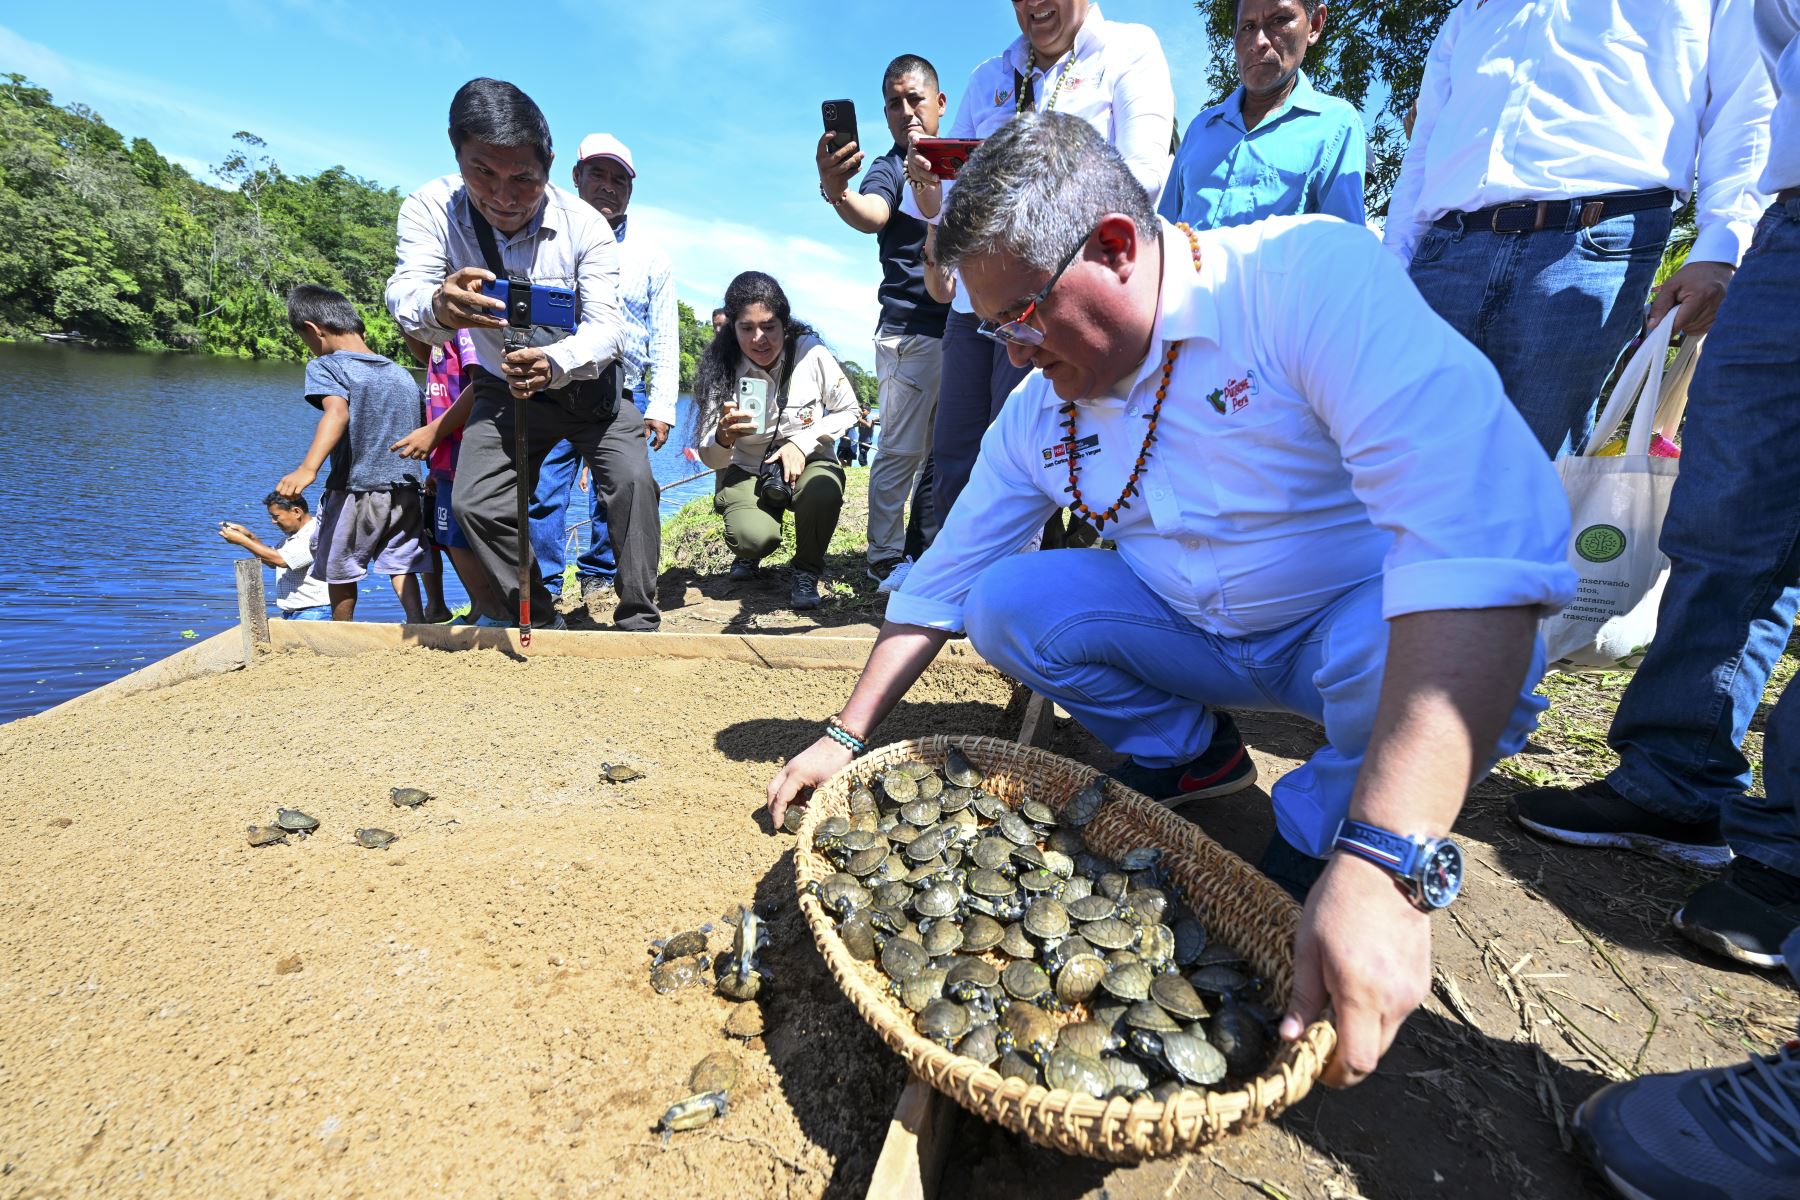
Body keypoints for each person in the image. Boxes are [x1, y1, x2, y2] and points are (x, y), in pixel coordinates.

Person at [767, 114, 1577, 1090]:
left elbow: (1479, 542)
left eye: (1021, 315)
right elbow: (941, 575)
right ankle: (1195, 757)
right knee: (1004, 602)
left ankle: (1324, 831)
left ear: (1113, 246)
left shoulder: (1299, 281)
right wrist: (846, 736)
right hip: (1194, 633)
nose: (1012, 354)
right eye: (992, 330)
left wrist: (1392, 860)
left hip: (1344, 637)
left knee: (1428, 646)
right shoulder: (1040, 407)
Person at [1509, 0, 1800, 975]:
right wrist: (1743, 228)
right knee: (1726, 517)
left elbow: (1723, 66)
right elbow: (1767, 60)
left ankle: (1785, 855)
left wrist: (1723, 228)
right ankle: (1674, 775)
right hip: (1791, 221)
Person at [1385, 0, 1775, 456]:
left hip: (1594, 247)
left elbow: (1746, 102)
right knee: (1403, 464)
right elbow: (1425, 140)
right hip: (1447, 250)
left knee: (1535, 475)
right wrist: (1395, 262)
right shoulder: (1473, 9)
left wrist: (1720, 246)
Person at [385, 77, 659, 633]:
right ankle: (535, 611)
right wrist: (438, 303)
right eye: (482, 172)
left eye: (524, 180)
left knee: (632, 483)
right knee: (476, 504)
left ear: (551, 166)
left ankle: (638, 621)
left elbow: (609, 330)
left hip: (593, 392)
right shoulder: (428, 209)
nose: (504, 197)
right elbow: (403, 292)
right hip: (500, 389)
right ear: (456, 151)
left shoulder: (587, 228)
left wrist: (554, 360)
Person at [901, 0, 1175, 527]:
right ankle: (956, 574)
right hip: (974, 304)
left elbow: (1140, 181)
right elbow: (945, 208)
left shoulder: (1130, 50)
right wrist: (927, 186)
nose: (1033, 4)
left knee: (1034, 446)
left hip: (1054, 297)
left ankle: (1023, 575)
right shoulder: (988, 77)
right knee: (956, 446)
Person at [815, 53, 953, 589]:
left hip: (964, 327)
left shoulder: (958, 162)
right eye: (894, 103)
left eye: (915, 98)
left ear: (940, 103)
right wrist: (837, 190)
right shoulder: (890, 167)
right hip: (909, 332)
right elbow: (870, 212)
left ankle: (929, 548)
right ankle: (883, 556)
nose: (906, 111)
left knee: (949, 450)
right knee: (899, 449)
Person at [530, 133, 678, 615]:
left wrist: (661, 406)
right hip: (548, 386)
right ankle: (545, 586)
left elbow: (664, 337)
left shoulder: (651, 257)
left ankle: (600, 576)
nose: (608, 187)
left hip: (618, 390)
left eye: (619, 179)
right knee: (543, 493)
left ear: (631, 190)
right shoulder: (541, 237)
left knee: (622, 490)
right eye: (597, 174)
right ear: (575, 177)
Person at [693, 272, 859, 611]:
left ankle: (807, 570)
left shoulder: (811, 353)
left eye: (769, 327)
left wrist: (803, 443)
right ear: (731, 327)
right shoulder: (722, 366)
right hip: (748, 468)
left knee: (824, 489)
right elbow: (711, 458)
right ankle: (749, 553)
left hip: (809, 462)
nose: (759, 339)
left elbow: (849, 409)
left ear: (785, 323)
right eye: (746, 328)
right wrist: (723, 436)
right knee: (752, 538)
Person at [275, 284, 428, 624]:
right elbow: (424, 429)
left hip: (355, 488)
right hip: (405, 488)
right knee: (401, 562)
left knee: (339, 565)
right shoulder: (400, 373)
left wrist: (307, 468)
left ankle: (341, 630)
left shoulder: (328, 366)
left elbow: (337, 413)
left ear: (314, 331)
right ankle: (418, 624)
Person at [1159, 0, 1365, 229]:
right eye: (1248, 26)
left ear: (1314, 25)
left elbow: (1343, 250)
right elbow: (1162, 235)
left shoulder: (1336, 125)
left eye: (1279, 20)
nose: (1259, 42)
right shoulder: (1200, 128)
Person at [392, 328, 502, 621]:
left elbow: (483, 382)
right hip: (447, 459)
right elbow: (431, 360)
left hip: (467, 451)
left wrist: (433, 432)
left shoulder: (465, 330)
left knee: (460, 539)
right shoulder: (437, 334)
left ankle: (496, 613)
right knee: (452, 538)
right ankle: (482, 608)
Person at [217, 492, 332, 620]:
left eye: (276, 516)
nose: (273, 521)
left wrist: (243, 541)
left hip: (314, 612)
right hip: (296, 612)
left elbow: (280, 560)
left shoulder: (315, 534)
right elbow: (271, 561)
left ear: (296, 512)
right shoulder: (294, 536)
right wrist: (249, 537)